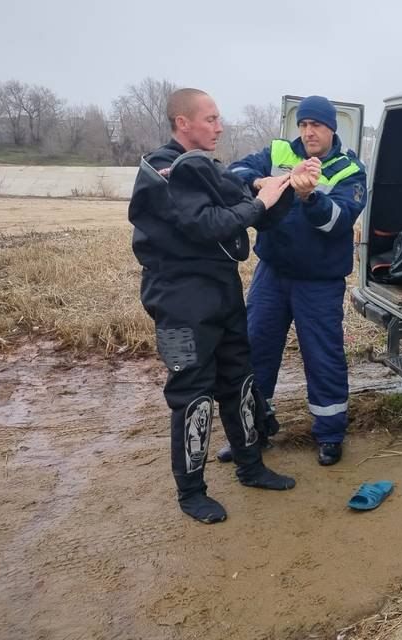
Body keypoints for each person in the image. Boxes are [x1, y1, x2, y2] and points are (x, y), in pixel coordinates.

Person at [129, 88, 300, 524]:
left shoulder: (205, 167)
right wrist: (259, 200)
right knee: (191, 393)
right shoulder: (163, 170)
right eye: (211, 119)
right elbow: (207, 224)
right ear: (182, 122)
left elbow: (249, 208)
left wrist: (283, 188)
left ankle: (251, 466)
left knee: (239, 379)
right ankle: (191, 493)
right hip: (177, 301)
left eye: (219, 119)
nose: (219, 127)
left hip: (221, 291)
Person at [223, 96, 367, 466]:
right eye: (303, 124)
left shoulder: (349, 170)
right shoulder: (278, 152)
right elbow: (234, 174)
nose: (308, 132)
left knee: (323, 356)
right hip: (272, 274)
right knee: (254, 350)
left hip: (319, 282)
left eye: (316, 125)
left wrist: (309, 197)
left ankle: (329, 435)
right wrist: (263, 181)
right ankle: (252, 431)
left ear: (332, 128)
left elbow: (339, 222)